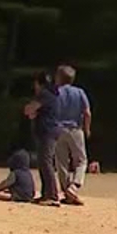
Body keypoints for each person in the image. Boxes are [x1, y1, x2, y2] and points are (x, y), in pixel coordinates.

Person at [50, 65, 90, 205]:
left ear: (59, 77)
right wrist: (87, 128)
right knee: (81, 161)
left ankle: (67, 191)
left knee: (61, 162)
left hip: (58, 129)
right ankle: (74, 186)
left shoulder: (55, 92)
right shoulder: (79, 92)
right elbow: (87, 113)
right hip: (75, 129)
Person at [23, 73, 60, 204]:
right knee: (43, 163)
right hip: (47, 131)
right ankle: (46, 194)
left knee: (46, 162)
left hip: (47, 132)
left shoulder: (44, 94)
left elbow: (29, 110)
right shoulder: (51, 94)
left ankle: (52, 195)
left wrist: (30, 110)